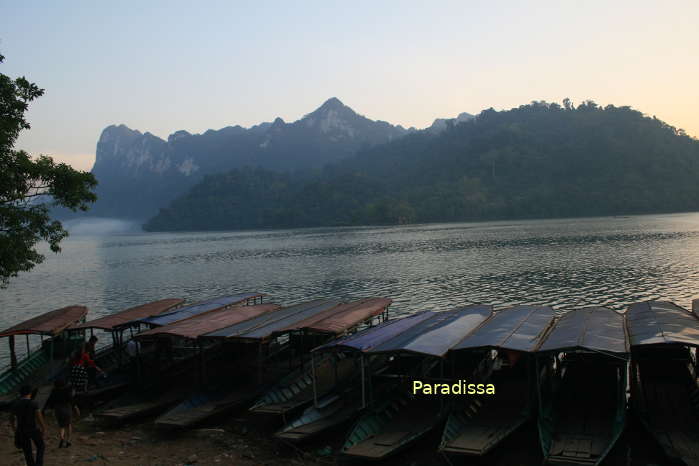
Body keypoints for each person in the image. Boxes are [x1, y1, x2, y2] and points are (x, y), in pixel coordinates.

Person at [9, 385, 46, 466]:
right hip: (33, 428)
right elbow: (39, 417)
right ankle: (39, 464)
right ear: (30, 393)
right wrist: (43, 428)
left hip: (21, 429)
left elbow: (11, 418)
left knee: (27, 450)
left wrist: (14, 429)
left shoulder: (16, 404)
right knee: (41, 446)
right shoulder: (33, 403)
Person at [43, 378, 78, 448]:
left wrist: (49, 410)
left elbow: (50, 402)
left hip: (58, 409)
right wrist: (76, 408)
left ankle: (62, 438)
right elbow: (71, 400)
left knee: (61, 425)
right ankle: (68, 441)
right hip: (67, 408)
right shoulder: (67, 390)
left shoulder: (54, 391)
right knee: (68, 425)